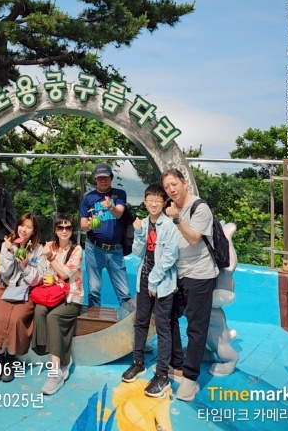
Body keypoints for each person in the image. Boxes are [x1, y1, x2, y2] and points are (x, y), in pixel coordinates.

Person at [161, 168, 218, 401]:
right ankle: (177, 364)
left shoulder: (199, 207)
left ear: (185, 183)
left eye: (174, 184)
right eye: (167, 187)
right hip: (179, 273)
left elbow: (194, 239)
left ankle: (191, 378)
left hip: (200, 275)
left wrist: (177, 218)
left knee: (196, 326)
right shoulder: (171, 208)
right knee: (168, 316)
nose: (171, 189)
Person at [121, 184, 179, 399]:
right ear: (145, 202)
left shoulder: (170, 226)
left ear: (164, 203)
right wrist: (138, 233)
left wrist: (153, 281)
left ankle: (162, 375)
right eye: (150, 199)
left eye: (158, 200)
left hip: (162, 282)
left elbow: (170, 257)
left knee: (163, 327)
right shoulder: (143, 224)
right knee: (140, 322)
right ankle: (138, 363)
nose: (154, 204)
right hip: (144, 279)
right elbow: (138, 252)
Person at [31, 215, 84, 396]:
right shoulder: (49, 246)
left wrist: (50, 258)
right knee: (39, 311)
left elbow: (65, 274)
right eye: (60, 227)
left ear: (72, 230)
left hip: (71, 298)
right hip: (52, 296)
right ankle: (55, 355)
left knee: (53, 317)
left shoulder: (77, 250)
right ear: (55, 229)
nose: (64, 231)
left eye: (68, 227)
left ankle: (55, 371)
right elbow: (43, 270)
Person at [0, 213, 44, 383]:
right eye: (22, 225)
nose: (24, 229)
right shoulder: (8, 244)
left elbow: (37, 279)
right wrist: (8, 252)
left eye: (29, 227)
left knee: (16, 318)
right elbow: (4, 272)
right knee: (1, 315)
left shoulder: (39, 250)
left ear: (34, 231)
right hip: (6, 289)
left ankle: (11, 360)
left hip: (27, 292)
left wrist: (25, 266)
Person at [80, 163, 130, 307]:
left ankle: (128, 319)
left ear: (111, 178)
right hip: (94, 249)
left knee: (124, 292)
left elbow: (119, 213)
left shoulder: (119, 194)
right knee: (94, 290)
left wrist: (110, 207)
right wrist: (90, 224)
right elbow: (83, 224)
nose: (103, 180)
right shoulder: (88, 198)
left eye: (106, 177)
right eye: (99, 177)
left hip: (115, 250)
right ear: (95, 179)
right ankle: (93, 318)